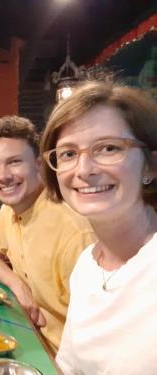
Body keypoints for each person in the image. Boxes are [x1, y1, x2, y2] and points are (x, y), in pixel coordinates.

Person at [41, 81, 157, 374]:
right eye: (68, 153)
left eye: (108, 148)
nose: (84, 170)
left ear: (150, 166)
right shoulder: (88, 265)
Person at [0, 115, 95, 352]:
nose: (3, 176)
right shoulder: (10, 210)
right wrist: (19, 287)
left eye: (15, 162)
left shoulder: (74, 231)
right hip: (31, 337)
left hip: (63, 359)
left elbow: (99, 335)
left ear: (39, 164)